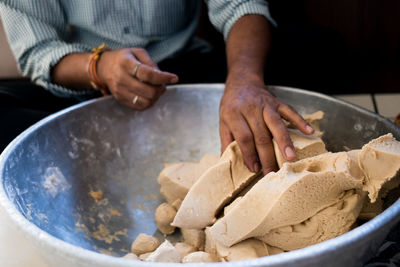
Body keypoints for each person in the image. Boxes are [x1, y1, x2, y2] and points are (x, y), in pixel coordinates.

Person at [0, 0, 315, 174]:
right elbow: (38, 51)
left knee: (312, 50)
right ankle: (78, 162)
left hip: (180, 69)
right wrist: (100, 67)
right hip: (85, 76)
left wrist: (245, 81)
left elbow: (241, 5)